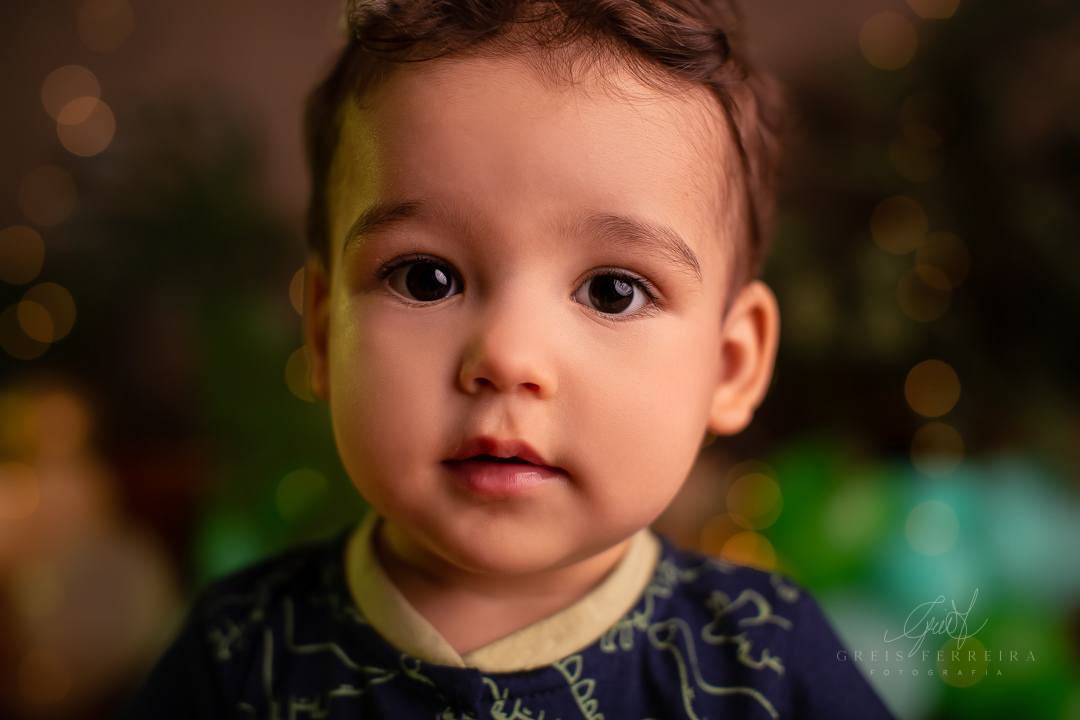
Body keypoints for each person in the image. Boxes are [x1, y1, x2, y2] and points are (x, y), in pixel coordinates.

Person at [119, 0, 896, 717]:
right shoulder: (239, 654)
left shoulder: (768, 663)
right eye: (427, 278)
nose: (508, 356)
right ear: (324, 332)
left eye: (613, 291)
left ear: (730, 367)